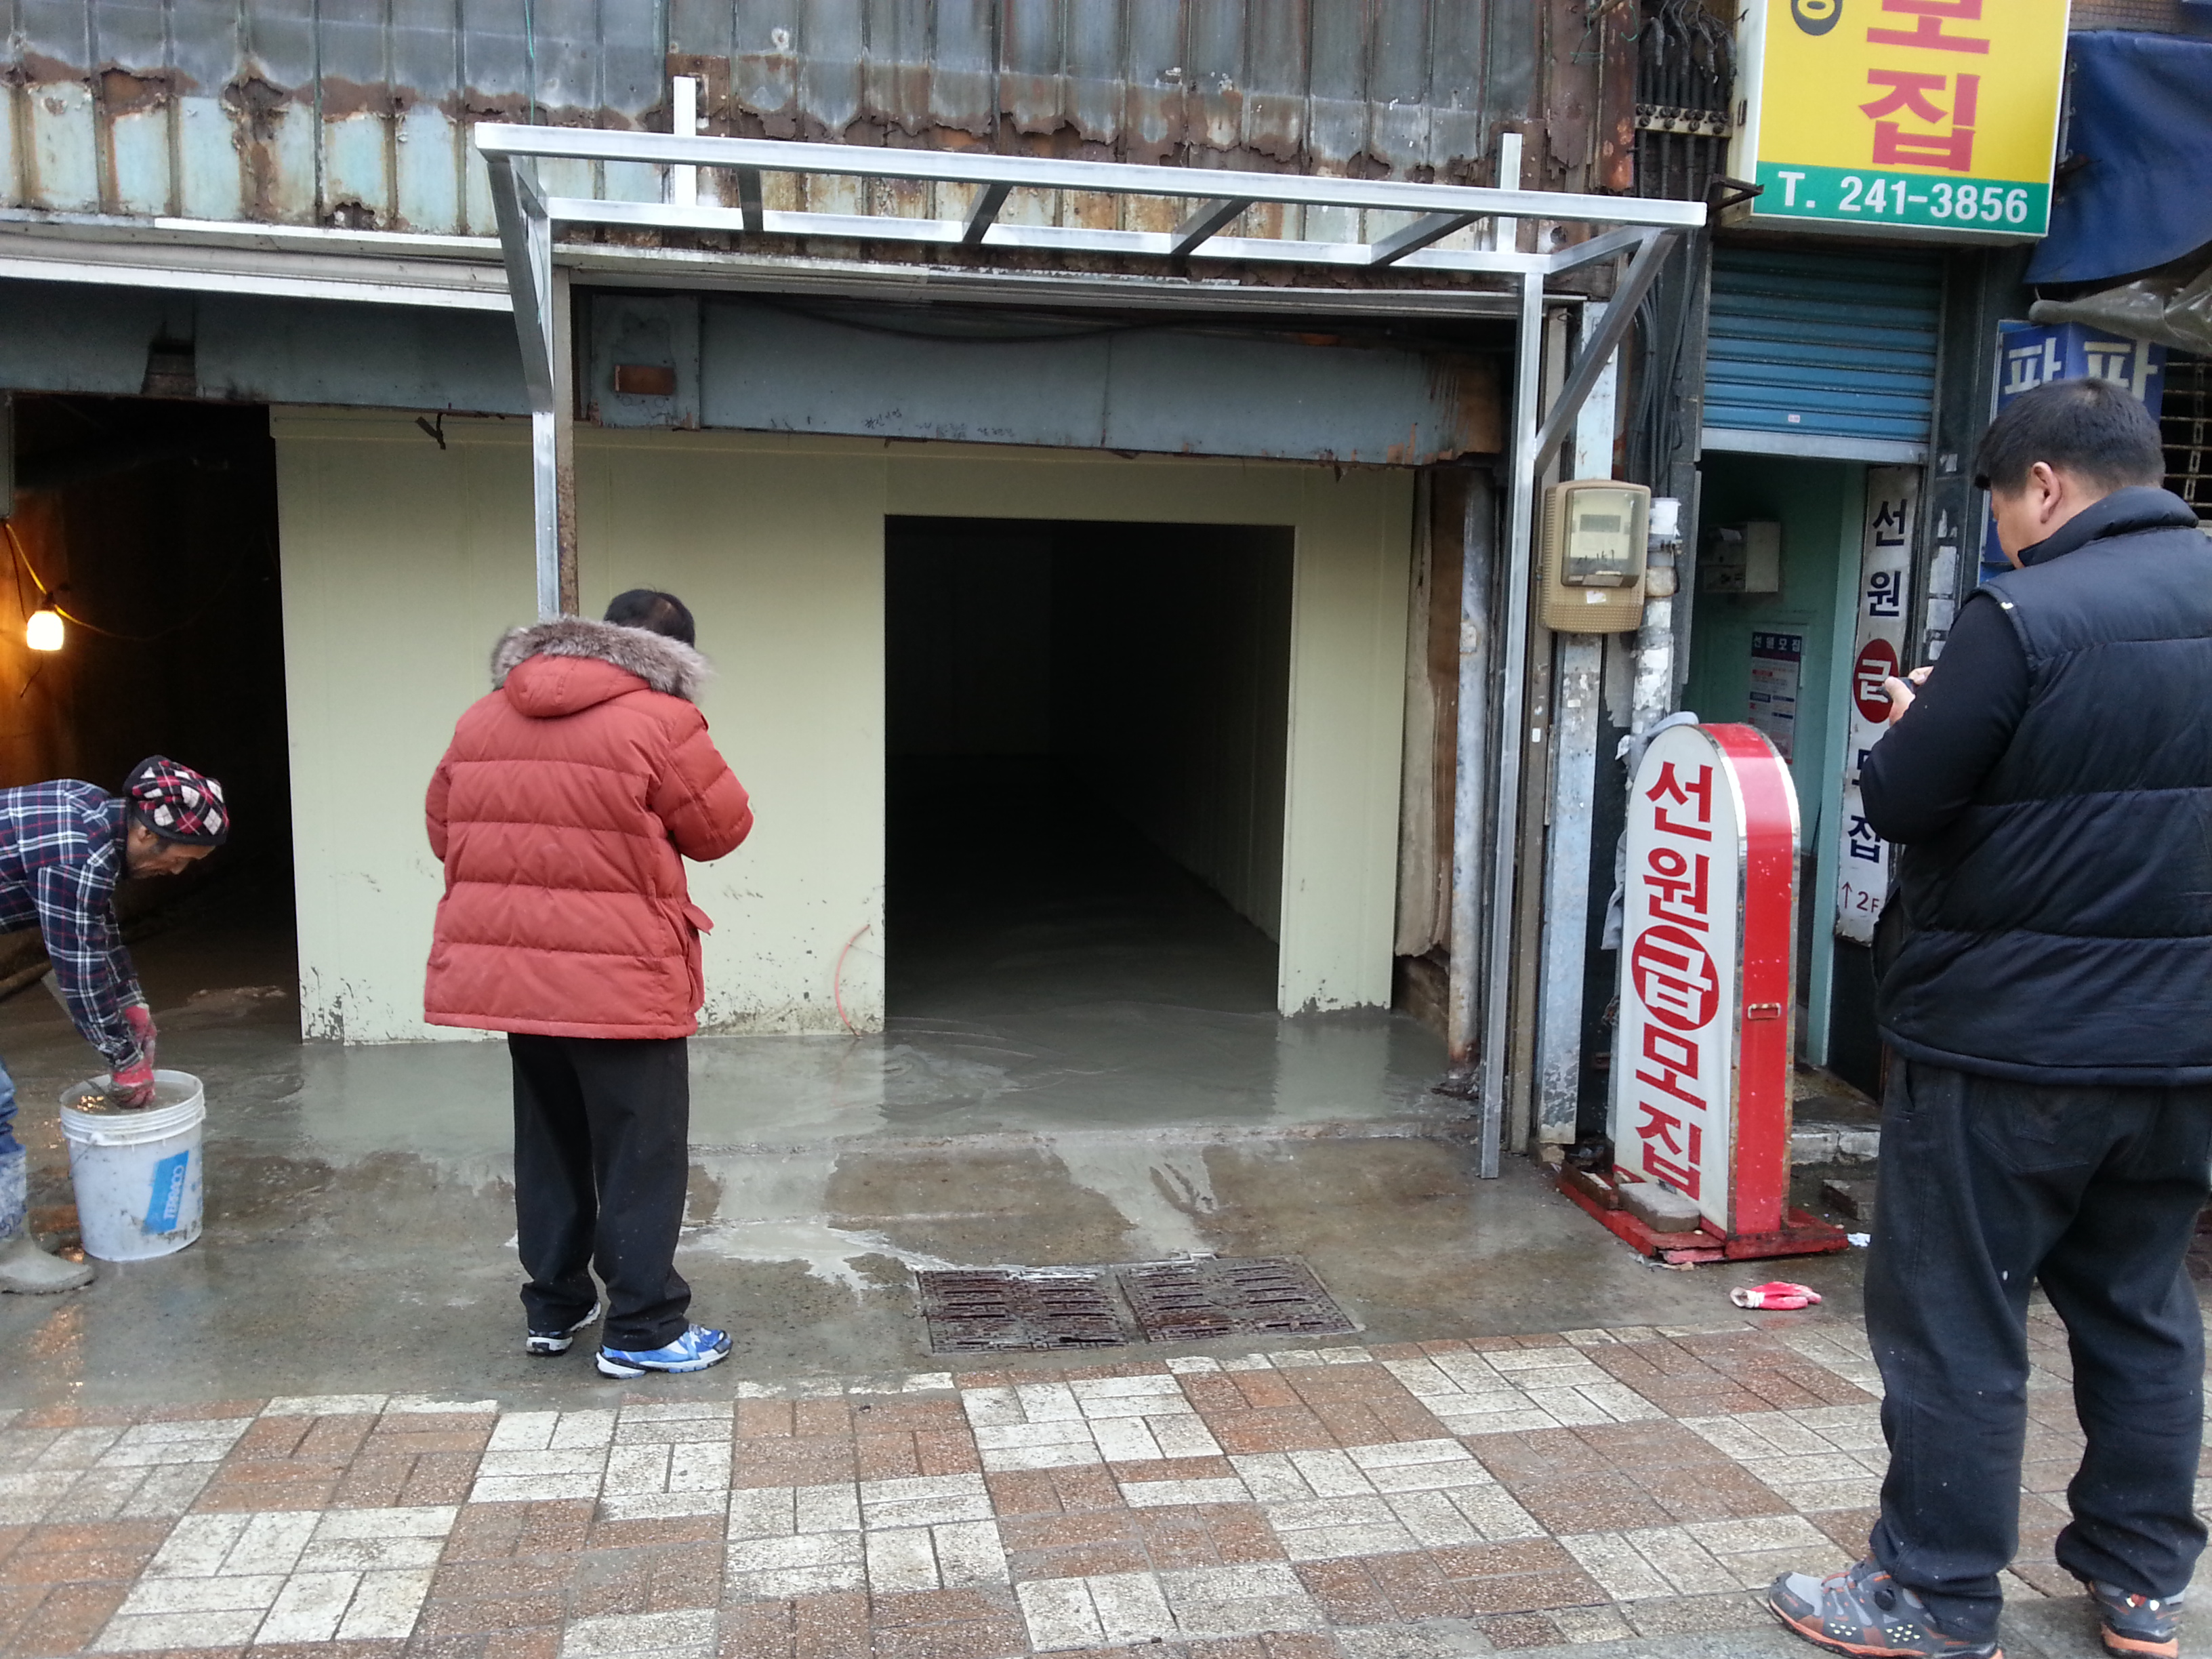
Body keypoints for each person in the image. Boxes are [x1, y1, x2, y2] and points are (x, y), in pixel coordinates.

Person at [1768, 376, 2212, 1659]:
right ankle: (2140, 1582)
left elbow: (1904, 798)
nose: (2008, 535)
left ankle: (1934, 1591)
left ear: (2045, 486)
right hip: (2183, 1047)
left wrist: (1916, 718)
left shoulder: (2022, 615)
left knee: (1956, 1312)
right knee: (2140, 1304)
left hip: (2005, 1049)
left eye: (2006, 508)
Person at [424, 590, 753, 1378]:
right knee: (640, 1151)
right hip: (622, 977)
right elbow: (721, 830)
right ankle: (641, 1328)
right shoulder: (663, 720)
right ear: (675, 656)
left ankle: (553, 1307)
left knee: (550, 1141)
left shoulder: (484, 717)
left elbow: (444, 830)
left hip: (517, 975)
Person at [0, 757, 228, 1294]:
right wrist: (124, 1060)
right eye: (177, 859)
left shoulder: (95, 814)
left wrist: (132, 1002)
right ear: (146, 833)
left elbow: (96, 927)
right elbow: (77, 969)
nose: (177, 873)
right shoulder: (76, 852)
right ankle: (6, 1254)